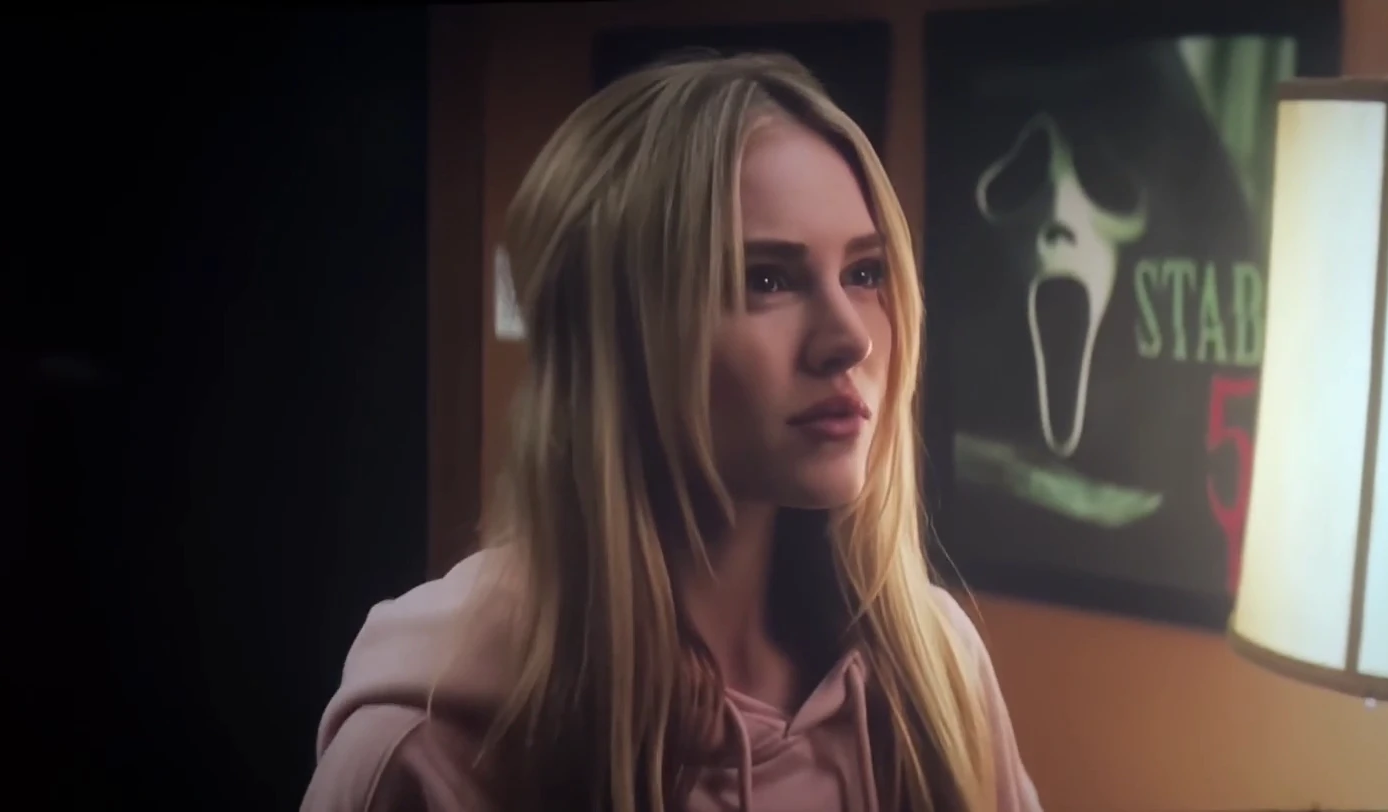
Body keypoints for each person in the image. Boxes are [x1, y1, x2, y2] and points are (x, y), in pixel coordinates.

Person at [301, 52, 1041, 812]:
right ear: (616, 335)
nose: (849, 339)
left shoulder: (936, 680)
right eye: (767, 278)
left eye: (865, 273)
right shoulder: (426, 753)